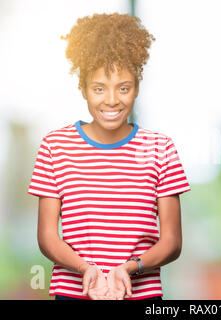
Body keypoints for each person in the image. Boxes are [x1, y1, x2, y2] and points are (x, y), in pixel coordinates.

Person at [27, 12, 191, 300]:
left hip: (141, 296)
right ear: (83, 90)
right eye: (99, 88)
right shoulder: (55, 145)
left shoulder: (161, 148)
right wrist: (85, 268)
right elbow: (47, 237)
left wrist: (131, 268)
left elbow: (172, 242)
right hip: (73, 294)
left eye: (123, 88)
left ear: (137, 88)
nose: (112, 100)